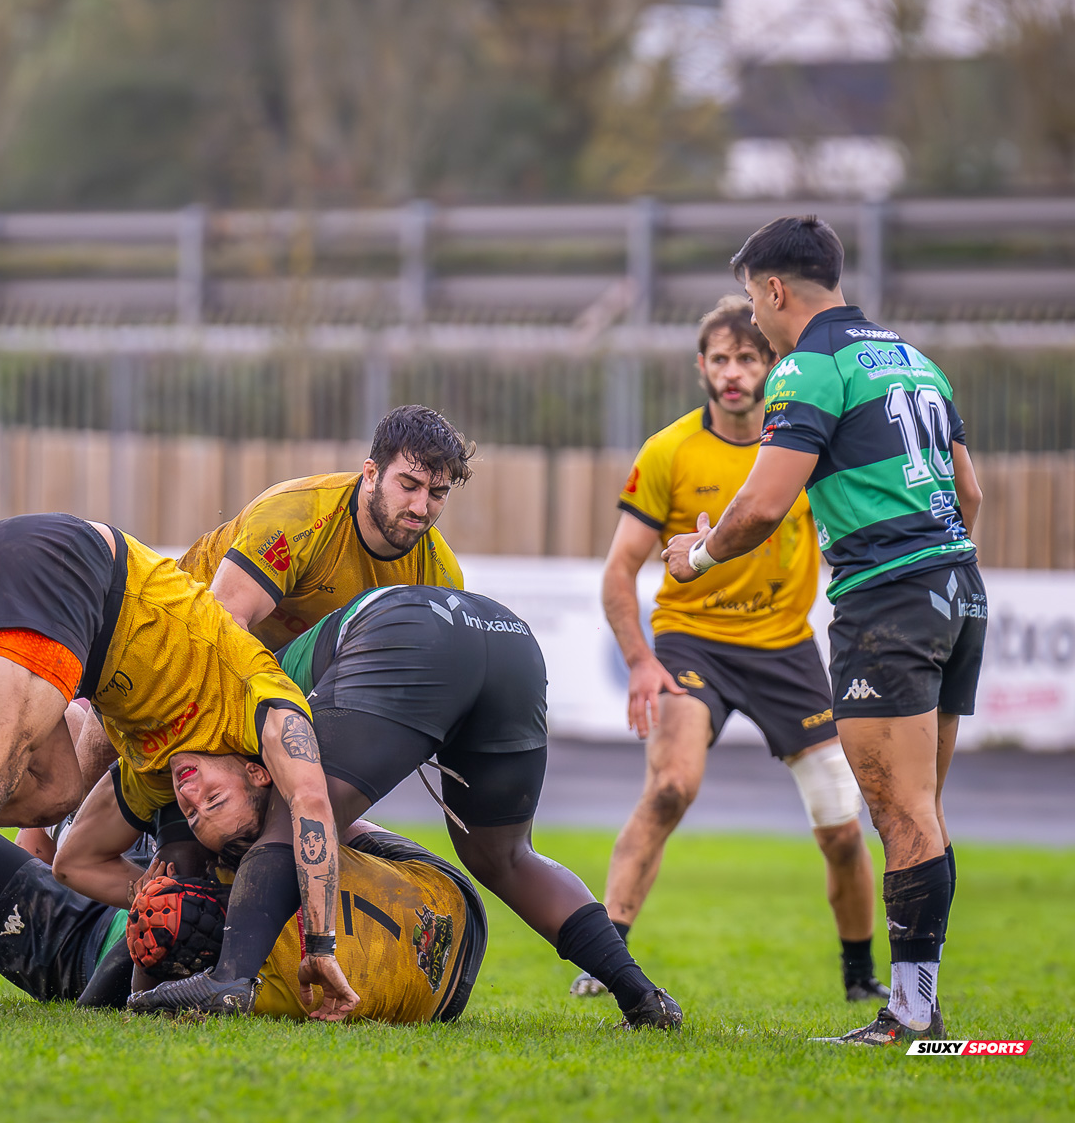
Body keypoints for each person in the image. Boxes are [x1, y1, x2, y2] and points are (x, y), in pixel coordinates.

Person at [56, 582, 682, 1028]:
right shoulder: (223, 732)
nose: (190, 796)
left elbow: (172, 881)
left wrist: (110, 999)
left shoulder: (193, 733)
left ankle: (230, 982)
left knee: (298, 812)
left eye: (205, 802)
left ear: (253, 772)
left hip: (414, 628)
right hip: (505, 635)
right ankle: (639, 992)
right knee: (506, 858)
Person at [0, 512, 351, 1021]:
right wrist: (321, 946)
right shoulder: (264, 701)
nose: (190, 797)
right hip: (69, 569)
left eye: (193, 815)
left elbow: (72, 864)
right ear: (258, 772)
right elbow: (310, 800)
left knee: (54, 790)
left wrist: (145, 890)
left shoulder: (160, 771)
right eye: (214, 798)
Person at [663, 215, 985, 1046]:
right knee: (924, 810)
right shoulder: (913, 359)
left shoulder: (811, 365)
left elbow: (764, 506)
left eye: (751, 301)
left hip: (890, 604)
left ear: (774, 289)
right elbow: (970, 495)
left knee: (901, 812)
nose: (756, 322)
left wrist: (695, 555)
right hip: (958, 588)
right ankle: (920, 1007)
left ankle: (912, 1017)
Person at [571, 296, 882, 1003]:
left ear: (771, 364)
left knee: (840, 825)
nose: (735, 372)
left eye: (748, 357)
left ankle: (861, 977)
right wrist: (642, 661)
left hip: (785, 651)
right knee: (671, 787)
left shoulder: (806, 443)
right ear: (701, 368)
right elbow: (620, 571)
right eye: (721, 359)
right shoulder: (669, 451)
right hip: (693, 645)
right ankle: (608, 956)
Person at [0, 819, 485, 1025]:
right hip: (103, 911)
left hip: (73, 948)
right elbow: (338, 821)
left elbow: (145, 989)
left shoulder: (277, 976)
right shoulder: (437, 897)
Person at [178, 405, 467, 648]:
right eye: (408, 486)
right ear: (370, 474)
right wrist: (282, 704)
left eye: (437, 493)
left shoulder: (440, 571)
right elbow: (221, 626)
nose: (420, 507)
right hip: (181, 631)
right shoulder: (296, 518)